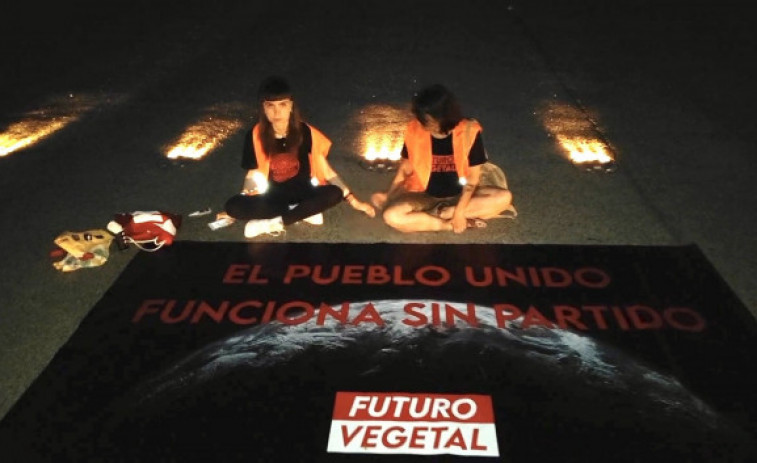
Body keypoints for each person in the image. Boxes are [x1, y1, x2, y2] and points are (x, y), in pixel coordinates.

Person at [220, 76, 375, 238]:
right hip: (273, 198)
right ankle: (301, 213)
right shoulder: (255, 136)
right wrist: (243, 197)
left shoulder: (305, 132)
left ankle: (274, 223)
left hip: (305, 192)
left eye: (282, 104)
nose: (276, 111)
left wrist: (354, 201)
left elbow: (327, 172)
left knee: (334, 193)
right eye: (270, 105)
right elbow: (252, 174)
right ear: (263, 108)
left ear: (291, 106)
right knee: (233, 206)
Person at [371, 84, 515, 233]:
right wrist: (389, 194)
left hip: (462, 195)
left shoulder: (469, 131)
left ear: (445, 116)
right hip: (423, 194)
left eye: (428, 119)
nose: (423, 122)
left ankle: (444, 214)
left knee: (504, 197)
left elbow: (472, 179)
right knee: (391, 216)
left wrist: (459, 212)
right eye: (422, 118)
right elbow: (405, 169)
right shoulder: (414, 130)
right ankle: (445, 224)